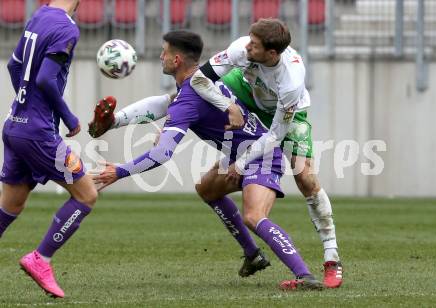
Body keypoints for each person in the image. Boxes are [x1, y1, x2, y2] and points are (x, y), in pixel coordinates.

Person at [93, 30, 323, 290]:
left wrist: (119, 171)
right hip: (238, 156)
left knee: (254, 216)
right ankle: (252, 255)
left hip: (262, 157)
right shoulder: (201, 84)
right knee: (207, 189)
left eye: (165, 52)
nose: (160, 56)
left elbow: (162, 153)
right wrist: (115, 122)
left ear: (177, 59)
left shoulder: (189, 97)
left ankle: (305, 276)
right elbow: (163, 104)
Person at [189, 18, 343, 288]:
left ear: (272, 54)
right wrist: (227, 106)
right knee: (195, 95)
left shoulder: (291, 82)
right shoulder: (242, 49)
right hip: (246, 91)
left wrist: (241, 162)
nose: (247, 46)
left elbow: (274, 135)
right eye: (249, 40)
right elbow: (199, 79)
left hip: (283, 113)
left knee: (305, 176)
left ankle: (332, 256)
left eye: (255, 45)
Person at [0, 0, 98, 298]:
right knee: (86, 195)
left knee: (11, 205)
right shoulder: (66, 27)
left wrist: (27, 105)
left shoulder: (39, 15)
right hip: (36, 134)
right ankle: (40, 259)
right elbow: (44, 78)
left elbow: (14, 65)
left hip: (14, 123)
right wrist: (68, 116)